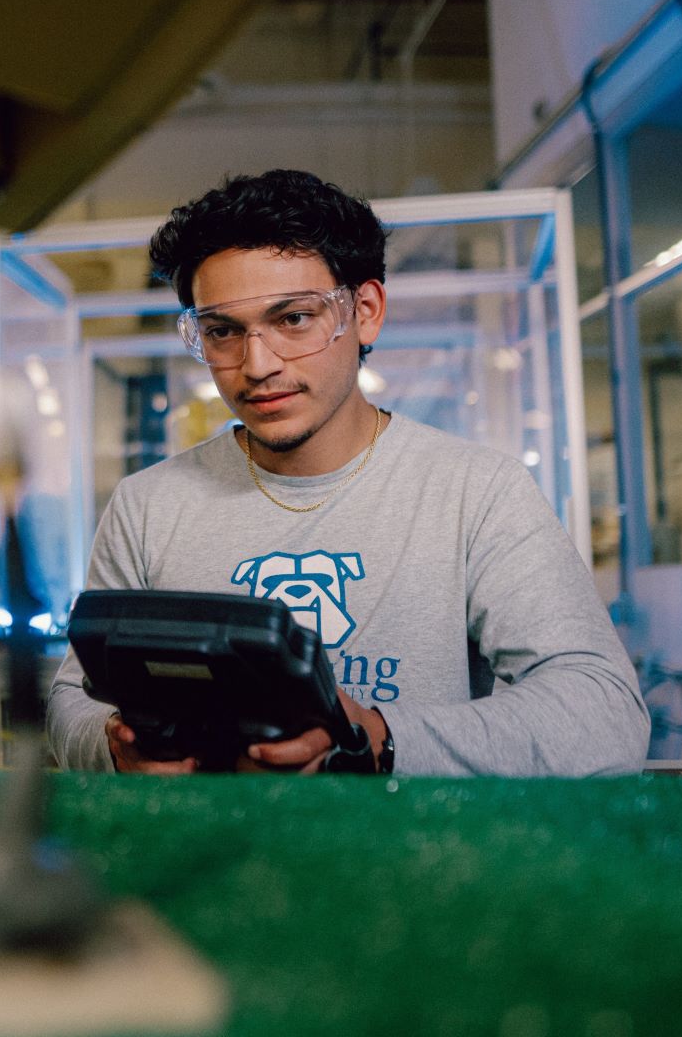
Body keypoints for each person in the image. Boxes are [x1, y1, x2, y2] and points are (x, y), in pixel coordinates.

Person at [46, 169, 650, 776]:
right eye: (222, 332)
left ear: (364, 312)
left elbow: (604, 711)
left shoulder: (475, 492)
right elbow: (74, 697)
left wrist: (382, 740)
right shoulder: (148, 504)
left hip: (418, 859)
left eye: (294, 319)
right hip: (212, 858)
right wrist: (112, 748)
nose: (257, 364)